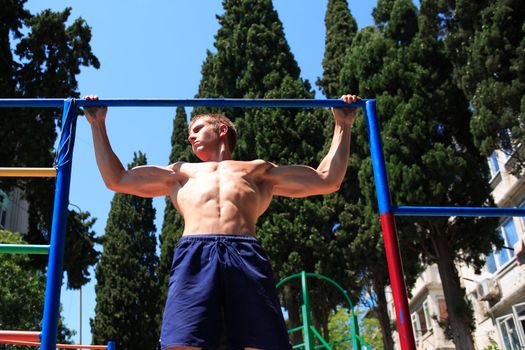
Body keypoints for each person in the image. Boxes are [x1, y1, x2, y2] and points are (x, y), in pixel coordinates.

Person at [83, 94, 361, 350]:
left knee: (261, 343)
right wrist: (97, 124)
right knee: (181, 342)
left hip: (245, 253)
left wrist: (342, 125)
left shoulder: (257, 170)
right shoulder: (180, 172)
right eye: (189, 134)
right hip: (195, 253)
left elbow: (328, 179)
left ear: (221, 130)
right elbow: (116, 179)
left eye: (197, 129)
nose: (190, 138)